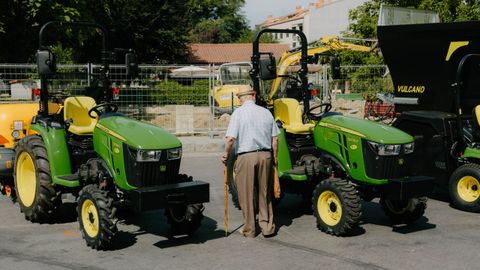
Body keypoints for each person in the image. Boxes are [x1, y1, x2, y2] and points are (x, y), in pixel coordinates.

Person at [221, 85, 279, 238]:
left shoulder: (238, 113)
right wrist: (274, 158)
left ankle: (250, 229)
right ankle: (267, 227)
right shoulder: (266, 112)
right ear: (253, 95)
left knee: (246, 194)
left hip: (246, 156)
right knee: (265, 192)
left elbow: (231, 139)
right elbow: (275, 140)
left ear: (240, 98)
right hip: (265, 155)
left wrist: (226, 155)